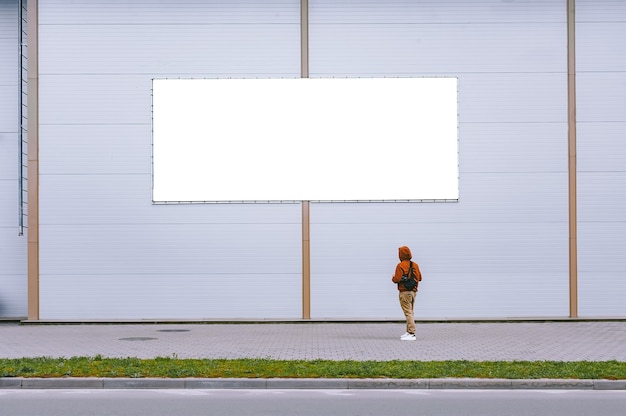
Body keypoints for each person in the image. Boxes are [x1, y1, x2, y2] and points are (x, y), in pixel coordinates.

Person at [392, 245, 422, 341]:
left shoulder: (400, 265)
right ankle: (408, 332)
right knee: (410, 312)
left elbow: (396, 279)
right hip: (413, 291)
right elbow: (420, 278)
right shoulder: (415, 265)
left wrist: (393, 278)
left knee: (408, 313)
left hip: (404, 292)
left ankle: (412, 333)